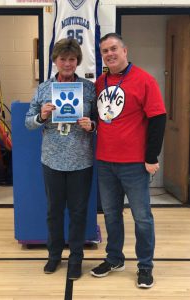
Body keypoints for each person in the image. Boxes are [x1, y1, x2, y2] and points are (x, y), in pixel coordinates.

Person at [90, 33, 166, 288]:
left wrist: (151, 157)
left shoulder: (144, 80)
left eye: (113, 49)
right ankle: (115, 258)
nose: (109, 54)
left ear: (125, 50)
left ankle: (145, 265)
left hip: (134, 164)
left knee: (142, 217)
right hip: (105, 162)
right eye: (104, 51)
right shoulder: (100, 82)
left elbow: (157, 119)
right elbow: (98, 117)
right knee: (111, 215)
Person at [25, 38, 96, 280]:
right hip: (52, 161)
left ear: (77, 61)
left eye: (72, 59)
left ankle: (75, 258)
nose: (67, 63)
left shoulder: (88, 88)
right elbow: (28, 122)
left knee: (78, 212)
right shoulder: (44, 88)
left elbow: (102, 122)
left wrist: (91, 125)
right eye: (63, 59)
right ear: (55, 61)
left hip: (81, 162)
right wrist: (42, 116)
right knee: (54, 211)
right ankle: (54, 256)